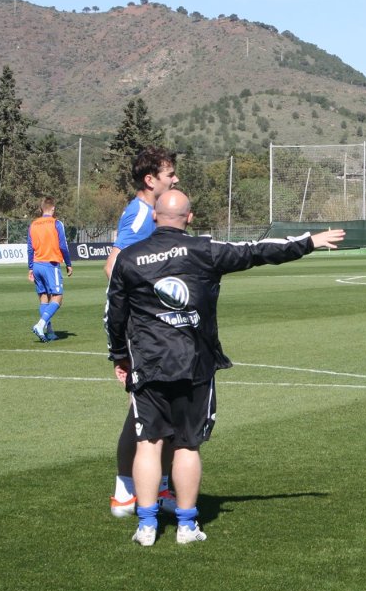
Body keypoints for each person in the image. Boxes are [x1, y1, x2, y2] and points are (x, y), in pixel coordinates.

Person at [105, 189, 344, 545]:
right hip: (194, 362)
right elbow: (257, 251)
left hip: (149, 363)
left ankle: (147, 526)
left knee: (148, 443)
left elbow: (115, 314)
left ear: (155, 216)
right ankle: (186, 526)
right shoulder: (204, 249)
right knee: (187, 445)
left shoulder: (129, 257)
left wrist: (119, 356)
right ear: (190, 217)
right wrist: (309, 242)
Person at [106, 146, 180, 518]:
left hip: (155, 328)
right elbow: (114, 266)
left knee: (164, 408)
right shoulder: (139, 215)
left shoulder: (151, 213)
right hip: (141, 330)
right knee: (142, 410)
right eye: (169, 174)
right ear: (150, 180)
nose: (175, 179)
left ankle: (159, 487)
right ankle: (125, 493)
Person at [27, 197, 73, 342]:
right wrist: (68, 263)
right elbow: (63, 246)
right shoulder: (56, 223)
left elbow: (30, 248)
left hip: (37, 265)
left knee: (43, 298)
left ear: (41, 208)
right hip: (50, 264)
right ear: (53, 208)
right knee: (58, 297)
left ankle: (50, 332)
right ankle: (40, 325)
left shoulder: (33, 224)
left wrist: (30, 267)